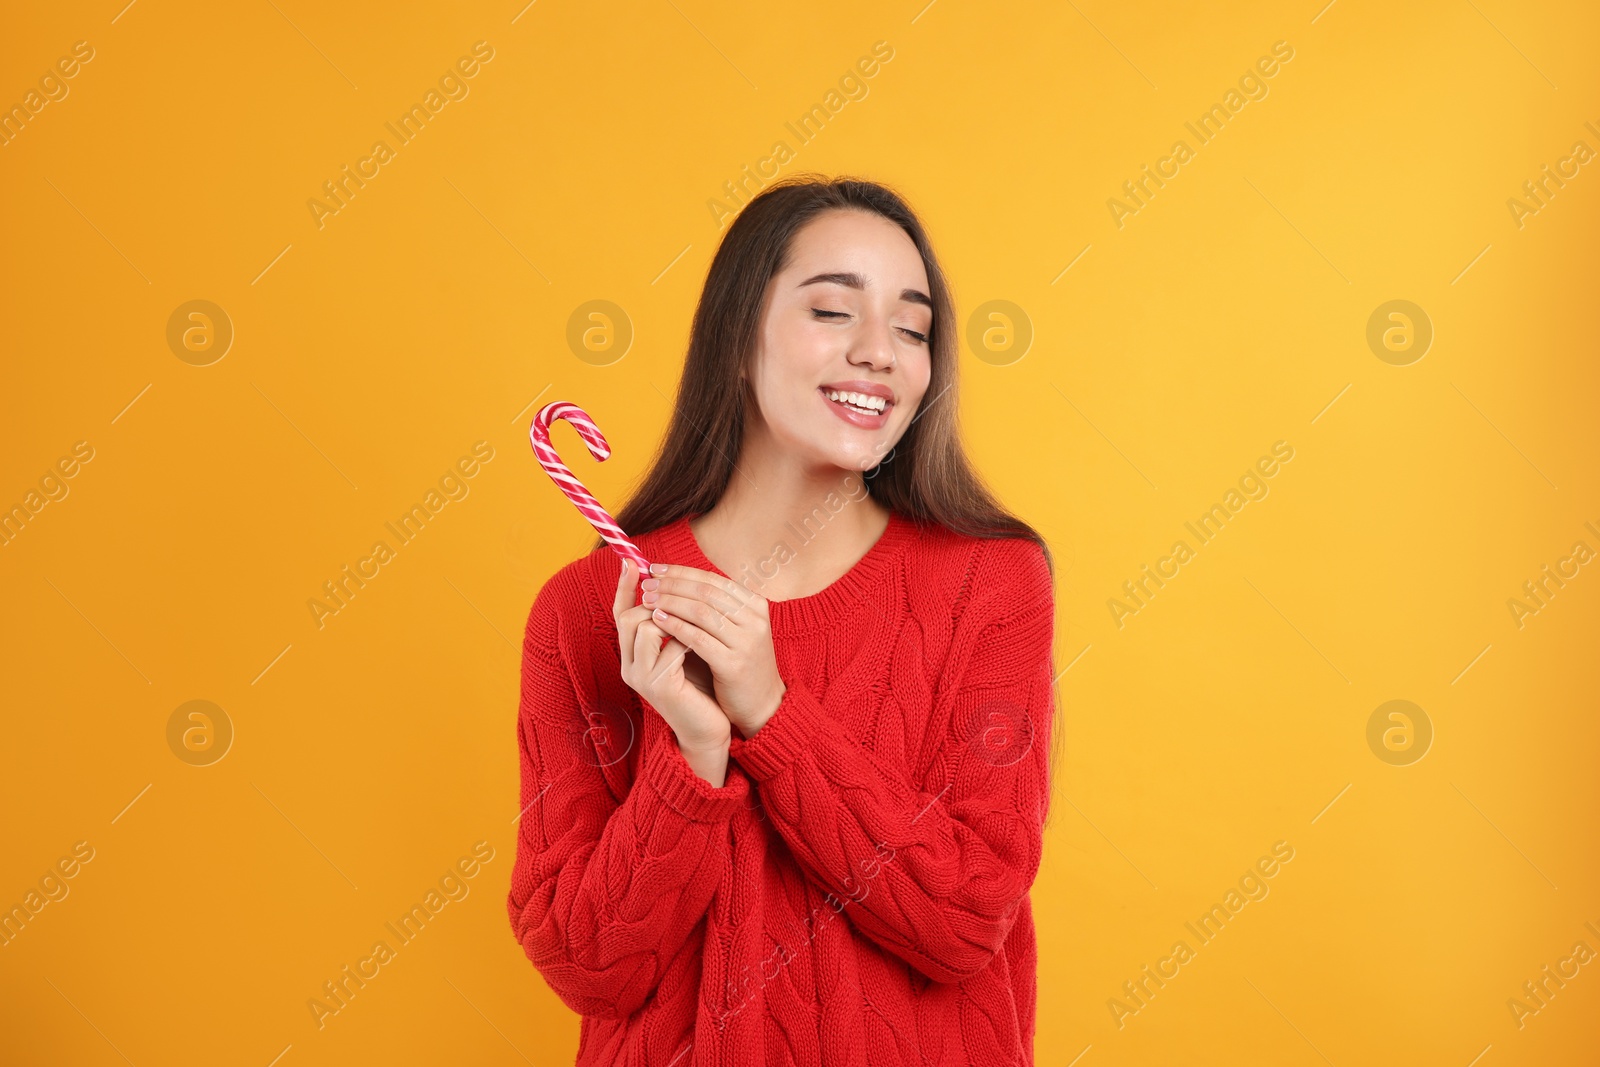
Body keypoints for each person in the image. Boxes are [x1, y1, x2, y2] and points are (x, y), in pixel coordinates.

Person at [508, 174, 1059, 1065]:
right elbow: (588, 965)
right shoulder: (587, 610)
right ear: (736, 339)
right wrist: (689, 758)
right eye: (834, 312)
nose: (881, 351)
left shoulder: (992, 583)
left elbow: (966, 918)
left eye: (912, 328)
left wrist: (771, 712)